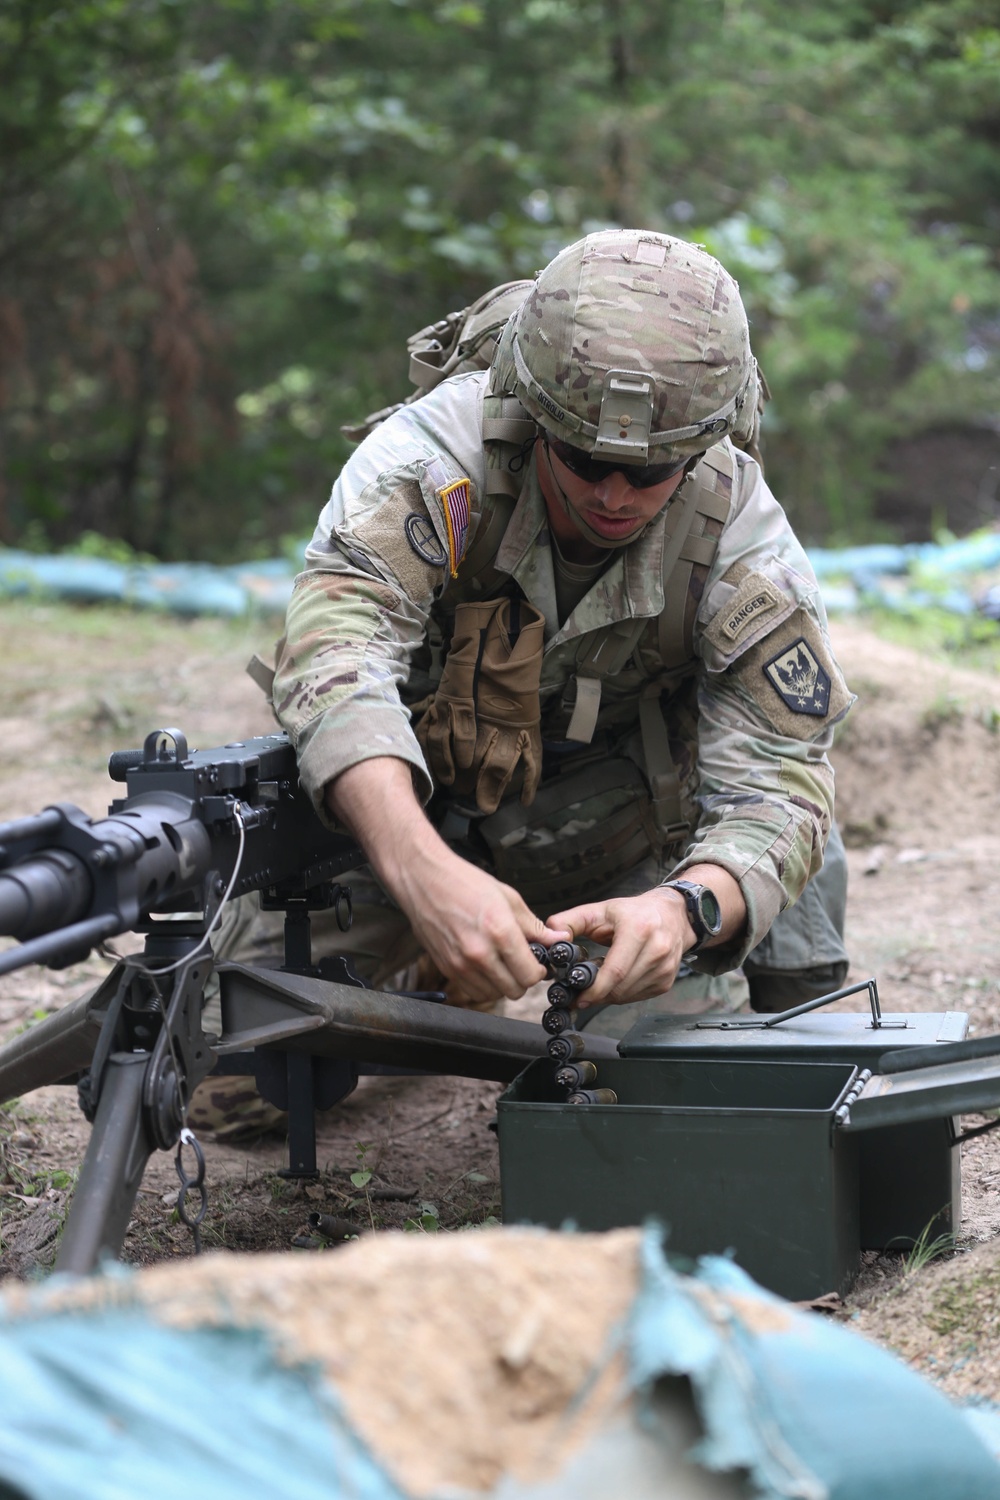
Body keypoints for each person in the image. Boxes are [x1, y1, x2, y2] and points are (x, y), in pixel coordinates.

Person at [231, 229, 853, 1042]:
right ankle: (432, 969)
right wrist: (422, 875)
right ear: (532, 414)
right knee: (231, 1068)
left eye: (652, 471)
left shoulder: (742, 539)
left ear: (702, 450)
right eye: (583, 458)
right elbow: (333, 656)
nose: (614, 494)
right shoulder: (436, 458)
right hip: (411, 807)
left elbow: (777, 780)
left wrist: (684, 907)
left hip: (628, 837)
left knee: (671, 1093)